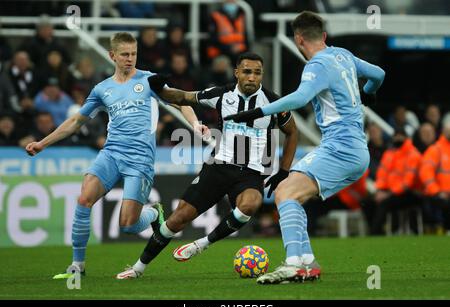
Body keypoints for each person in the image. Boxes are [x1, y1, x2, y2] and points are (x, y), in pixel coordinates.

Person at [25, 32, 207, 278]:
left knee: (128, 225)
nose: (130, 59)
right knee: (83, 200)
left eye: (133, 54)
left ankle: (154, 213)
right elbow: (76, 121)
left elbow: (181, 101)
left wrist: (195, 125)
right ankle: (77, 267)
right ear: (112, 56)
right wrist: (43, 143)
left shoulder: (149, 80)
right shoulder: (102, 89)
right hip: (111, 153)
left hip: (139, 160)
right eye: (124, 54)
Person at [221, 11, 385, 284]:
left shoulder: (316, 65)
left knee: (285, 192)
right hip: (354, 149)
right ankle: (307, 263)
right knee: (291, 193)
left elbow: (300, 98)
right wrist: (369, 90)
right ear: (323, 36)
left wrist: (257, 111)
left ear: (298, 40)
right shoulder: (343, 55)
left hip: (341, 149)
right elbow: (378, 73)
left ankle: (294, 263)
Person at [116, 52, 298, 279]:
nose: (252, 77)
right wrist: (160, 87)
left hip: (250, 173)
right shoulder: (221, 95)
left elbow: (292, 132)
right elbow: (183, 97)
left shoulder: (274, 102)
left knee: (251, 204)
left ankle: (202, 243)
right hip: (219, 166)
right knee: (179, 218)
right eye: (247, 71)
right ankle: (138, 267)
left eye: (257, 73)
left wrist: (283, 170)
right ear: (237, 73)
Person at [371, 128, 422, 235]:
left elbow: (408, 183)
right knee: (368, 202)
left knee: (385, 203)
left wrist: (388, 194)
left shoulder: (413, 154)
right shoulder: (389, 154)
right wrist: (379, 191)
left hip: (411, 193)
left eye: (400, 136)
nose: (398, 138)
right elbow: (381, 175)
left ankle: (375, 233)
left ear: (406, 138)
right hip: (392, 192)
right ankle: (379, 231)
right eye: (396, 136)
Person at [419, 120, 450, 233]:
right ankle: (446, 230)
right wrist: (437, 191)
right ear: (444, 131)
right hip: (438, 194)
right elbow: (425, 173)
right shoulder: (436, 149)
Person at [206, 0, 249, 64]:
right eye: (228, 1)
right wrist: (230, 48)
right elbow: (212, 39)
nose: (231, 3)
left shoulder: (241, 14)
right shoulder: (215, 15)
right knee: (223, 63)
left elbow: (245, 38)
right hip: (220, 52)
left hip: (239, 52)